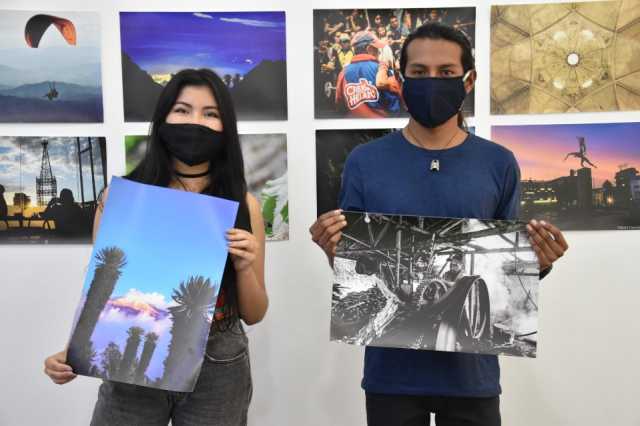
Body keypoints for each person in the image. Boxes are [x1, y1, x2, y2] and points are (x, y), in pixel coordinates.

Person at [310, 22, 569, 426]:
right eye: (419, 72)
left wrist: (541, 261)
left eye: (446, 72)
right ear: (400, 78)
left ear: (469, 80)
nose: (432, 81)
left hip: (472, 377)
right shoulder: (365, 162)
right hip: (390, 375)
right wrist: (335, 251)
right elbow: (357, 269)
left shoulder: (498, 163)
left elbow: (506, 269)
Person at [44, 68, 268, 426]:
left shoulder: (244, 205)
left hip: (219, 363)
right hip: (133, 354)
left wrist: (244, 266)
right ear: (163, 117)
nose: (195, 122)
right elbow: (104, 287)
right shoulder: (119, 199)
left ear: (226, 126)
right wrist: (78, 351)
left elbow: (255, 313)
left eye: (211, 114)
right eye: (182, 110)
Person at [335, 31, 402, 118]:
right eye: (377, 49)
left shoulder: (343, 72)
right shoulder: (382, 69)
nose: (379, 52)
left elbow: (339, 105)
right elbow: (394, 106)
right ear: (369, 49)